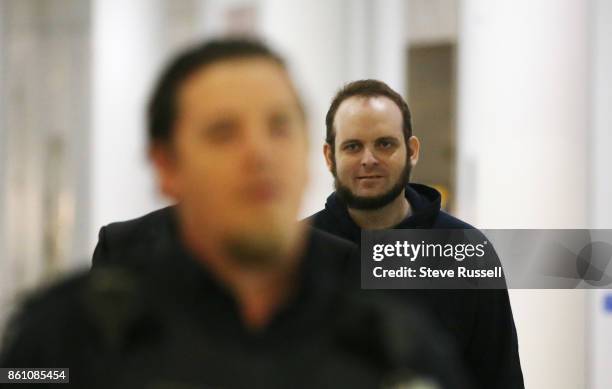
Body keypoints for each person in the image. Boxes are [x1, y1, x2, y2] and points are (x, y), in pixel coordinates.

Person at [1, 39, 469, 388]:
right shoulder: (66, 335)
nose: (258, 154)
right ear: (166, 164)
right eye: (224, 132)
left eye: (278, 128)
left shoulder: (396, 349)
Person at [305, 79, 524, 389]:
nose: (369, 159)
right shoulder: (293, 254)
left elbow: (500, 379)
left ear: (412, 151)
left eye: (385, 143)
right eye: (353, 146)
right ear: (329, 156)